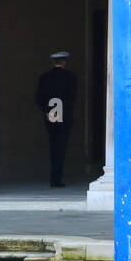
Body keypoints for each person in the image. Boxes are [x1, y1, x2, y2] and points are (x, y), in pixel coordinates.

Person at [35, 51, 77, 188]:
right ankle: (56, 178)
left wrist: (47, 111)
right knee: (61, 147)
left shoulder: (45, 77)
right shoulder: (70, 77)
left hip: (51, 115)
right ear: (64, 62)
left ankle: (54, 177)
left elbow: (39, 98)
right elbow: (72, 97)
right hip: (64, 115)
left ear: (53, 63)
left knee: (54, 146)